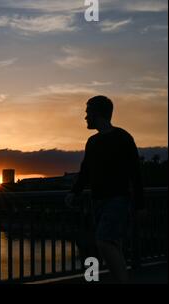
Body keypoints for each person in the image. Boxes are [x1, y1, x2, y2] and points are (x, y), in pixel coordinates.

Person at [65, 95, 146, 283]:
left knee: (104, 241)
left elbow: (136, 173)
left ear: (97, 113)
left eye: (87, 112)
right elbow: (85, 172)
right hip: (97, 201)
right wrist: (73, 192)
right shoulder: (92, 142)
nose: (85, 117)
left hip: (117, 200)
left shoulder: (123, 138)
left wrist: (141, 206)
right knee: (112, 243)